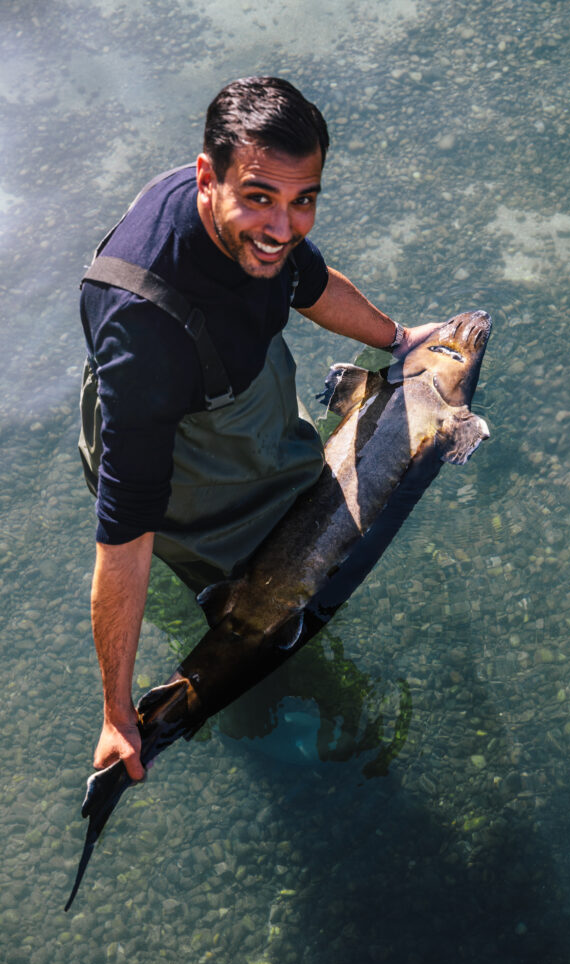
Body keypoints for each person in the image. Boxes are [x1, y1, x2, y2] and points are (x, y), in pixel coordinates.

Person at [79, 76, 442, 782]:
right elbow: (122, 540)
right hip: (180, 445)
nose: (283, 226)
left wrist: (400, 338)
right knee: (247, 604)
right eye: (260, 199)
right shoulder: (144, 338)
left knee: (301, 530)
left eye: (302, 200)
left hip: (239, 392)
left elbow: (306, 281)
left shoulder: (261, 232)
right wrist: (116, 716)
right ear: (206, 179)